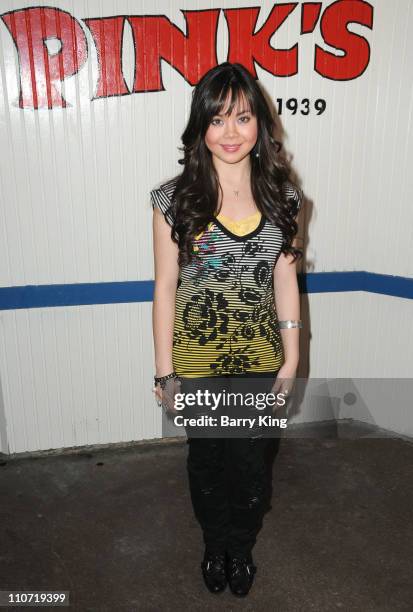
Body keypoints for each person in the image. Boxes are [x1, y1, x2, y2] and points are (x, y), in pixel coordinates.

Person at [151, 62, 303, 598]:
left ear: (260, 122)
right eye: (217, 120)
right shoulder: (175, 199)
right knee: (208, 462)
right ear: (200, 128)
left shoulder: (283, 199)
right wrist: (165, 372)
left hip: (261, 361)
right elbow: (165, 287)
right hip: (196, 362)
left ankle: (242, 546)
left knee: (253, 467)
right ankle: (215, 546)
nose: (231, 132)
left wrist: (291, 358)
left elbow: (285, 279)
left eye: (242, 117)